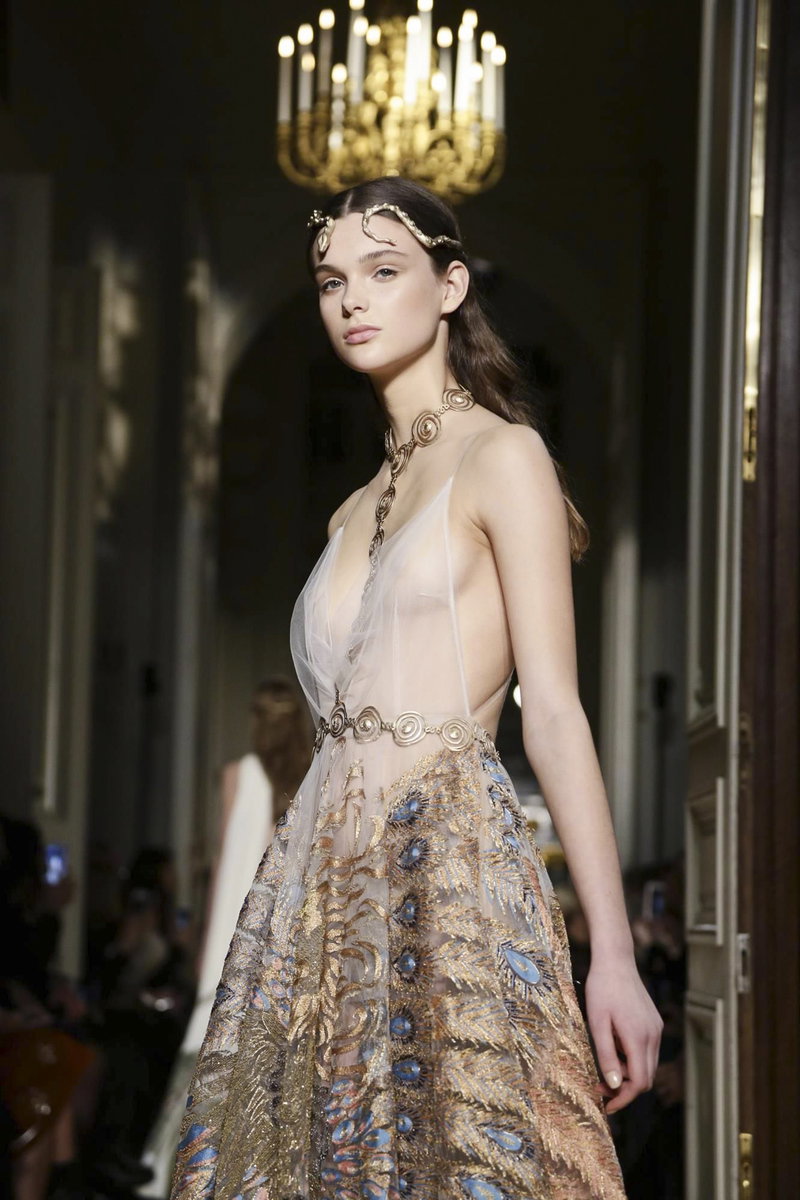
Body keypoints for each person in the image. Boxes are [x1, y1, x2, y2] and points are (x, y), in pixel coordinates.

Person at [170, 177, 663, 1200]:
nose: (352, 298)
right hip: (313, 898)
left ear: (449, 287)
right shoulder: (346, 512)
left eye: (383, 271)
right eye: (330, 281)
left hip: (449, 874)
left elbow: (555, 711)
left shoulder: (504, 458)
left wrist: (611, 957)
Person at [140, 677, 311, 1196]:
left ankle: (191, 1172)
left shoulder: (237, 775)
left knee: (211, 1045)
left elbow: (222, 867)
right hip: (284, 934)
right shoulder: (310, 776)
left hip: (233, 935)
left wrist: (204, 943)